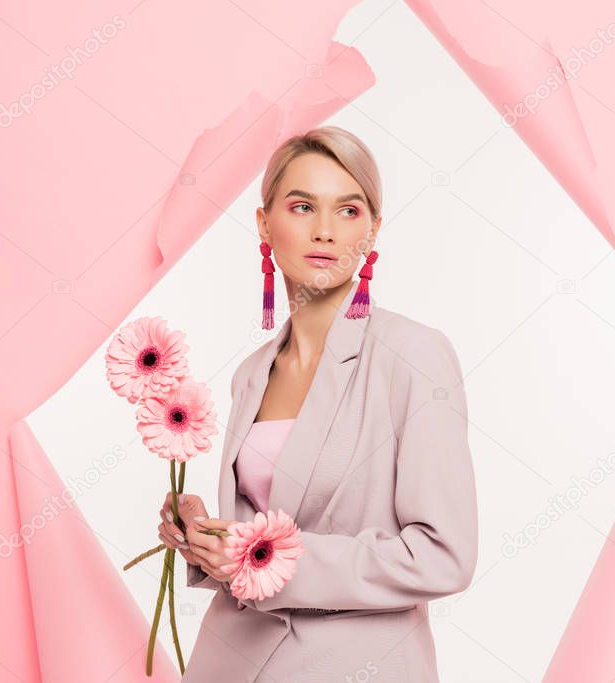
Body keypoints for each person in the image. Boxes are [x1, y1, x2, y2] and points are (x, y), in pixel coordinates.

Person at [157, 126, 478, 682]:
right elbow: (256, 545)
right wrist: (206, 541)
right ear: (264, 223)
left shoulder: (414, 356)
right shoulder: (251, 373)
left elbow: (442, 556)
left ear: (373, 229)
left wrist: (270, 557)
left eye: (349, 211)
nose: (326, 231)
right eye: (303, 206)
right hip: (230, 662)